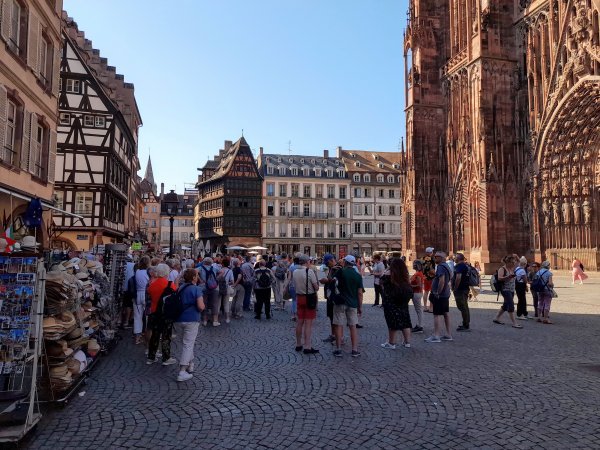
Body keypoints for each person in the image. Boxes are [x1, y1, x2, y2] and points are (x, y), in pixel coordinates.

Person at [174, 269, 205, 382]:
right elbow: (201, 306)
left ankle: (190, 363)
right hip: (191, 319)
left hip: (178, 319)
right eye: (196, 275)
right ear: (193, 278)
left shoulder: (180, 288)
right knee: (188, 344)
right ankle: (182, 371)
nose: (198, 277)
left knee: (186, 343)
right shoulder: (197, 289)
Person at [332, 255, 364, 357]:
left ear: (345, 262)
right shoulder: (358, 275)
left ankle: (338, 349)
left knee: (338, 325)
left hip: (340, 302)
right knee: (353, 326)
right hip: (353, 303)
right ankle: (354, 349)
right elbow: (360, 293)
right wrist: (360, 307)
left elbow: (332, 281)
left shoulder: (341, 271)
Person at [145, 263, 177, 366]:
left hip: (155, 312)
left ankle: (151, 357)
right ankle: (166, 357)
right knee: (166, 336)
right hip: (166, 313)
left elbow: (150, 294)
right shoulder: (170, 284)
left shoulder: (152, 285)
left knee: (155, 334)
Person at [380, 258, 413, 349]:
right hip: (403, 300)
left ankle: (391, 343)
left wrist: (387, 270)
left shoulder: (388, 275)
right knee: (405, 320)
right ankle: (407, 342)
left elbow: (381, 282)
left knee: (392, 321)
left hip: (391, 301)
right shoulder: (404, 275)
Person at [292, 254, 320, 354]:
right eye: (309, 261)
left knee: (300, 322)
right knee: (308, 323)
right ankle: (307, 346)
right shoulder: (309, 271)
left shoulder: (295, 271)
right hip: (309, 298)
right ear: (307, 262)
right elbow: (316, 287)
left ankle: (298, 344)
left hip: (299, 297)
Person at [424, 251, 454, 343]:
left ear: (441, 258)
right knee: (445, 313)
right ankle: (448, 335)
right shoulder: (447, 266)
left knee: (436, 314)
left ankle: (436, 336)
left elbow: (442, 280)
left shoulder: (441, 267)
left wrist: (437, 292)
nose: (435, 258)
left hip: (440, 295)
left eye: (436, 257)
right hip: (445, 294)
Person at [493, 255, 523, 328]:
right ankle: (514, 323)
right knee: (511, 304)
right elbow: (500, 278)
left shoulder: (512, 268)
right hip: (505, 289)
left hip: (511, 289)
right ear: (507, 262)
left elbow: (519, 262)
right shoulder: (502, 269)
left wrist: (515, 256)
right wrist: (508, 277)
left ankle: (496, 318)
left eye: (513, 262)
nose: (513, 263)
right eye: (512, 262)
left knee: (506, 305)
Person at [320, 253, 341, 344]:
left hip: (334, 297)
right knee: (331, 317)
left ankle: (338, 337)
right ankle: (333, 335)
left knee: (335, 317)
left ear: (330, 261)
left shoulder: (337, 269)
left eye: (327, 263)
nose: (327, 265)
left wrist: (327, 281)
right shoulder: (332, 268)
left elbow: (337, 281)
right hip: (330, 297)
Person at [451, 253, 471, 332]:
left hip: (460, 289)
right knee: (464, 306)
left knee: (462, 307)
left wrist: (455, 288)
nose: (454, 258)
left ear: (458, 258)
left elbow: (458, 277)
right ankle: (465, 323)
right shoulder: (465, 265)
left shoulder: (460, 266)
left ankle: (466, 325)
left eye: (455, 257)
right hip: (465, 288)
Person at [133, 255, 151, 345]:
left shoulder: (137, 272)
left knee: (137, 316)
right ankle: (147, 336)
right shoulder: (148, 273)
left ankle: (137, 337)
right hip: (146, 294)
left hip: (137, 294)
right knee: (147, 316)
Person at [199, 257, 220, 326]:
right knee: (214, 304)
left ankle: (204, 320)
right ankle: (215, 321)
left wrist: (200, 279)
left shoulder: (201, 268)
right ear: (211, 262)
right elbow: (221, 272)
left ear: (204, 262)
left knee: (204, 303)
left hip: (203, 287)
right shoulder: (214, 268)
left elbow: (194, 271)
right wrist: (216, 279)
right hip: (213, 287)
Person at [216, 257, 235, 324]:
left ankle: (217, 319)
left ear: (222, 264)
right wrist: (227, 283)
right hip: (226, 288)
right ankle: (227, 318)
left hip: (218, 288)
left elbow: (216, 279)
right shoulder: (230, 271)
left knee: (218, 304)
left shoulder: (219, 270)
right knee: (226, 303)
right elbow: (232, 282)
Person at [409, 260, 425, 334]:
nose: (413, 265)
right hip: (416, 293)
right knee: (418, 310)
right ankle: (419, 325)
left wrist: (410, 285)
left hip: (417, 293)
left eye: (414, 264)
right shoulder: (418, 273)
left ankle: (420, 326)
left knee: (419, 310)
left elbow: (419, 285)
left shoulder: (418, 274)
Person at [422, 247, 436, 313]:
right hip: (431, 277)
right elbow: (431, 269)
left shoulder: (422, 258)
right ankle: (431, 308)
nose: (432, 253)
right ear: (430, 252)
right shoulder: (431, 259)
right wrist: (436, 274)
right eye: (432, 251)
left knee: (426, 291)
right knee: (432, 292)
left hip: (425, 277)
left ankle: (425, 307)